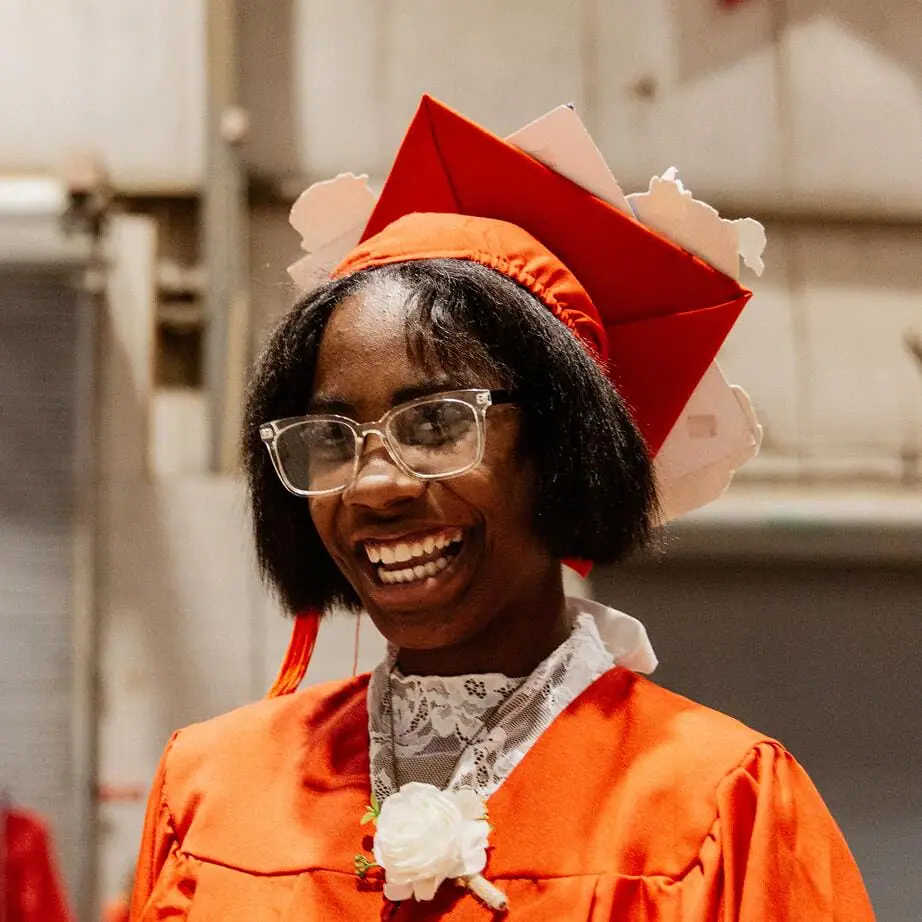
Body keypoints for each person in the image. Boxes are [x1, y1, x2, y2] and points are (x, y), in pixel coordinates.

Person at [129, 97, 874, 920]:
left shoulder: (718, 806)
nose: (375, 486)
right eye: (333, 438)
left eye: (439, 423)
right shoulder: (209, 794)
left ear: (562, 448)